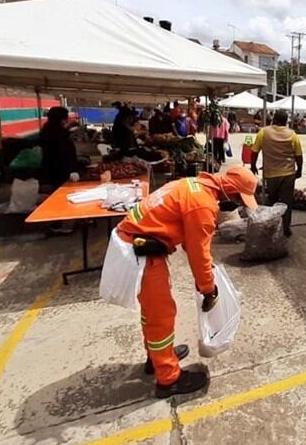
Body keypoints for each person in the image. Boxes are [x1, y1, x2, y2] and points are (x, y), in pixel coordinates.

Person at [110, 167, 258, 398]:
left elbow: (191, 243)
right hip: (141, 251)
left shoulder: (193, 185)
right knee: (161, 315)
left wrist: (206, 276)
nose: (237, 205)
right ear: (230, 191)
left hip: (138, 243)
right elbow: (198, 253)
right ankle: (168, 379)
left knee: (152, 311)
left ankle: (157, 358)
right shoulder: (202, 205)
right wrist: (208, 289)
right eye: (238, 199)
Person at [249, 110, 303, 237]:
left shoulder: (263, 132)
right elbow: (299, 155)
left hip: (271, 174)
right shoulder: (292, 135)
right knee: (286, 202)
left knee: (271, 200)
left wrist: (253, 166)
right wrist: (299, 169)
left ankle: (270, 227)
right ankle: (286, 228)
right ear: (285, 121)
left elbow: (254, 151)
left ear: (274, 119)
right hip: (288, 174)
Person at [40, 106, 79, 189]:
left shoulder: (46, 132)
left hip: (49, 174)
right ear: (61, 120)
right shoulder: (59, 135)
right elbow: (64, 155)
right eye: (66, 118)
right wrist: (72, 170)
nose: (67, 120)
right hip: (60, 176)